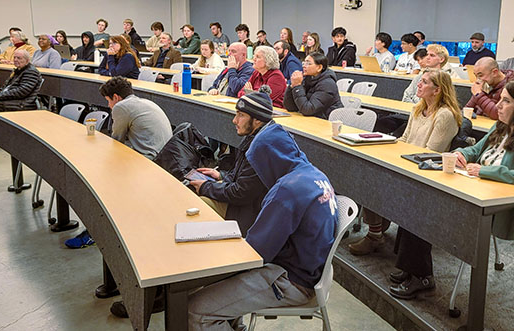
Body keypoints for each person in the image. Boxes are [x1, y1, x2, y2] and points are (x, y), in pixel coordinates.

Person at [390, 79, 514, 299]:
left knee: (423, 209)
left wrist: (486, 172)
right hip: (474, 189)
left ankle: (422, 277)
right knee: (417, 198)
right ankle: (411, 269)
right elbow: (474, 150)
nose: (498, 105)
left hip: (497, 202)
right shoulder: (501, 127)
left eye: (505, 101)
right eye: (500, 100)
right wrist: (461, 155)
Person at [187, 121, 337, 331]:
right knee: (215, 288)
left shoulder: (286, 191)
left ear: (268, 162)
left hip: (291, 280)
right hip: (310, 270)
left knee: (196, 309)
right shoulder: (315, 175)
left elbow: (255, 254)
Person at [349, 69, 462, 257]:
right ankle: (377, 228)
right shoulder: (418, 108)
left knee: (375, 180)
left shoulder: (445, 115)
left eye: (424, 82)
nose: (418, 84)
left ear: (437, 90)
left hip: (424, 171)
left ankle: (375, 233)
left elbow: (430, 153)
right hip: (405, 161)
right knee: (368, 173)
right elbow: (404, 139)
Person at [65, 76, 172, 249]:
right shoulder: (142, 102)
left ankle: (95, 232)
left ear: (116, 97)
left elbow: (116, 140)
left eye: (108, 101)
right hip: (161, 158)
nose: (108, 106)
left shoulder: (122, 107)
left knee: (98, 178)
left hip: (147, 162)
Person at [188, 92, 271, 232]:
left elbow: (240, 193)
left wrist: (205, 187)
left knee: (197, 203)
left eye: (241, 115)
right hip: (243, 204)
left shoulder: (261, 148)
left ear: (257, 120)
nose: (234, 120)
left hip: (246, 214)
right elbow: (243, 179)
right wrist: (220, 176)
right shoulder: (255, 137)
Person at [283, 52, 343, 119]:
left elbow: (308, 110)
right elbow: (290, 107)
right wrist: (292, 86)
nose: (304, 66)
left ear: (319, 67)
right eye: (304, 63)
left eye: (308, 63)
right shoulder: (306, 78)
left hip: (327, 121)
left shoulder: (328, 84)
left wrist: (297, 86)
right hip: (311, 119)